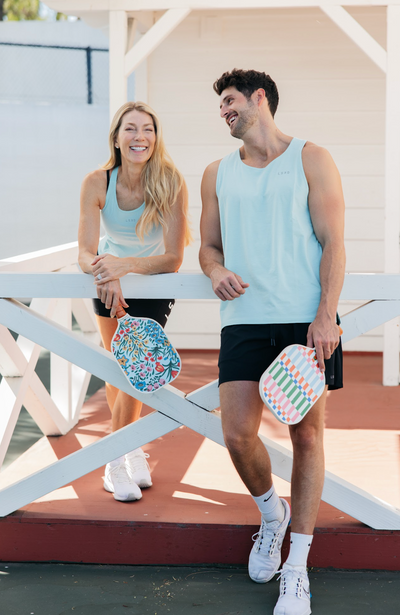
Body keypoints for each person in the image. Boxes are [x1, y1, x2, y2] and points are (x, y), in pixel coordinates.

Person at [199, 69, 345, 615]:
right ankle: (270, 515)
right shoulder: (217, 173)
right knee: (237, 434)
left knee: (307, 440)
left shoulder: (312, 157)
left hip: (305, 324)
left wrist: (326, 314)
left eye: (231, 100)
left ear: (260, 98)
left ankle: (297, 569)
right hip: (242, 320)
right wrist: (213, 270)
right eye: (221, 105)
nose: (224, 111)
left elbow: (334, 242)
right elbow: (208, 247)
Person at [78, 101, 190, 503]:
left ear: (155, 138)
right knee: (117, 370)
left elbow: (173, 257)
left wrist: (122, 267)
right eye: (130, 129)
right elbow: (84, 251)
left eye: (147, 129)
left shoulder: (171, 181)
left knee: (133, 370)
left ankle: (115, 456)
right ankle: (129, 451)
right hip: (109, 283)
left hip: (153, 283)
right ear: (116, 136)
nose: (139, 136)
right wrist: (103, 272)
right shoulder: (97, 181)